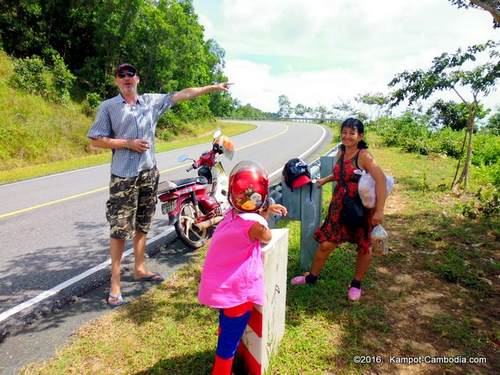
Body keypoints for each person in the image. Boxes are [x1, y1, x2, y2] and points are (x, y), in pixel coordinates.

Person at [87, 63, 230, 307]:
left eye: (130, 74)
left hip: (148, 174)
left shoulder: (151, 102)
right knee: (120, 229)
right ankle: (115, 284)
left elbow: (184, 93)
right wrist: (126, 144)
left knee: (144, 222)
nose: (126, 78)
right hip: (123, 177)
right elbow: (95, 141)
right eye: (121, 75)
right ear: (116, 81)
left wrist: (212, 87)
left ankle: (140, 268)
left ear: (138, 79)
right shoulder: (108, 107)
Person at [198, 161, 287, 374]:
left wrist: (263, 209)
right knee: (227, 346)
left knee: (226, 327)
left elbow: (247, 208)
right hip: (237, 293)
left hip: (221, 288)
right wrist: (265, 214)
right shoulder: (254, 225)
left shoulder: (232, 214)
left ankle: (229, 350)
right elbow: (265, 236)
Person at [291, 118, 387, 301]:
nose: (347, 136)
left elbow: (381, 179)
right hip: (339, 207)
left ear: (360, 136)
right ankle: (311, 277)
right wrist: (325, 180)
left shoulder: (364, 156)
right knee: (327, 244)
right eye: (344, 132)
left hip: (360, 208)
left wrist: (379, 210)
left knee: (364, 247)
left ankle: (356, 283)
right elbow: (340, 174)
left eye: (352, 133)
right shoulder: (341, 152)